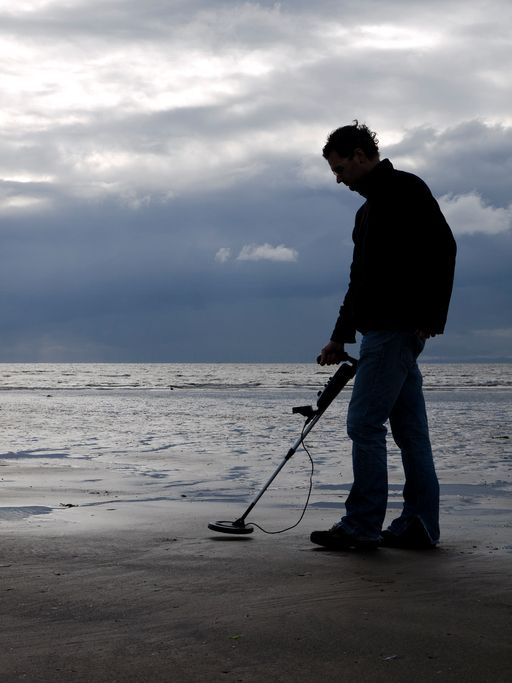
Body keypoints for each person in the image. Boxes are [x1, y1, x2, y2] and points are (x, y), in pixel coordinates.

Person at [311, 121, 456, 551]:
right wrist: (339, 337)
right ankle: (419, 525)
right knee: (410, 432)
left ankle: (362, 524)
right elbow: (359, 280)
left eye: (340, 168)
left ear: (360, 155)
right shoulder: (367, 211)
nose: (338, 179)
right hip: (381, 329)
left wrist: (432, 315)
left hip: (397, 329)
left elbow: (444, 249)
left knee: (363, 423)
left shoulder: (407, 189)